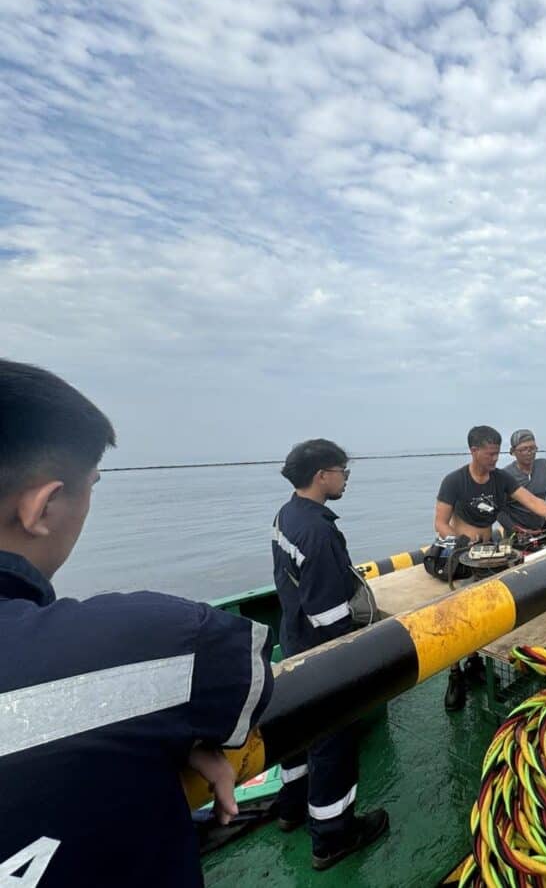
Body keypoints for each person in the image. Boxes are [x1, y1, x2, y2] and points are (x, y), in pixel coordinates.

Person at [0, 360, 274, 888]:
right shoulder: (146, 646)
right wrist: (164, 723)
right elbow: (236, 677)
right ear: (43, 507)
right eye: (91, 486)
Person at [271, 439, 389, 869]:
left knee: (297, 733)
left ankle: (289, 808)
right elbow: (330, 616)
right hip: (323, 653)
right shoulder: (318, 532)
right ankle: (333, 836)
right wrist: (359, 653)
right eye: (343, 472)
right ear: (323, 475)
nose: (345, 479)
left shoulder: (287, 515)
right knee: (331, 740)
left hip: (294, 640)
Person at [434, 425, 546, 710]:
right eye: (489, 454)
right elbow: (440, 522)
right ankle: (454, 674)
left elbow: (533, 502)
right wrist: (457, 538)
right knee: (459, 614)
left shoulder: (501, 479)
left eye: (497, 454)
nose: (494, 460)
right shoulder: (454, 481)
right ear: (473, 451)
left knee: (488, 610)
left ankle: (475, 661)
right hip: (463, 555)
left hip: (493, 552)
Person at [498, 429, 546, 533]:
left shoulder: (543, 465)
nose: (529, 452)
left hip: (543, 528)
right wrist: (518, 531)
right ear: (513, 452)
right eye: (523, 449)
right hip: (519, 534)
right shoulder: (505, 475)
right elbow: (499, 512)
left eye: (532, 448)